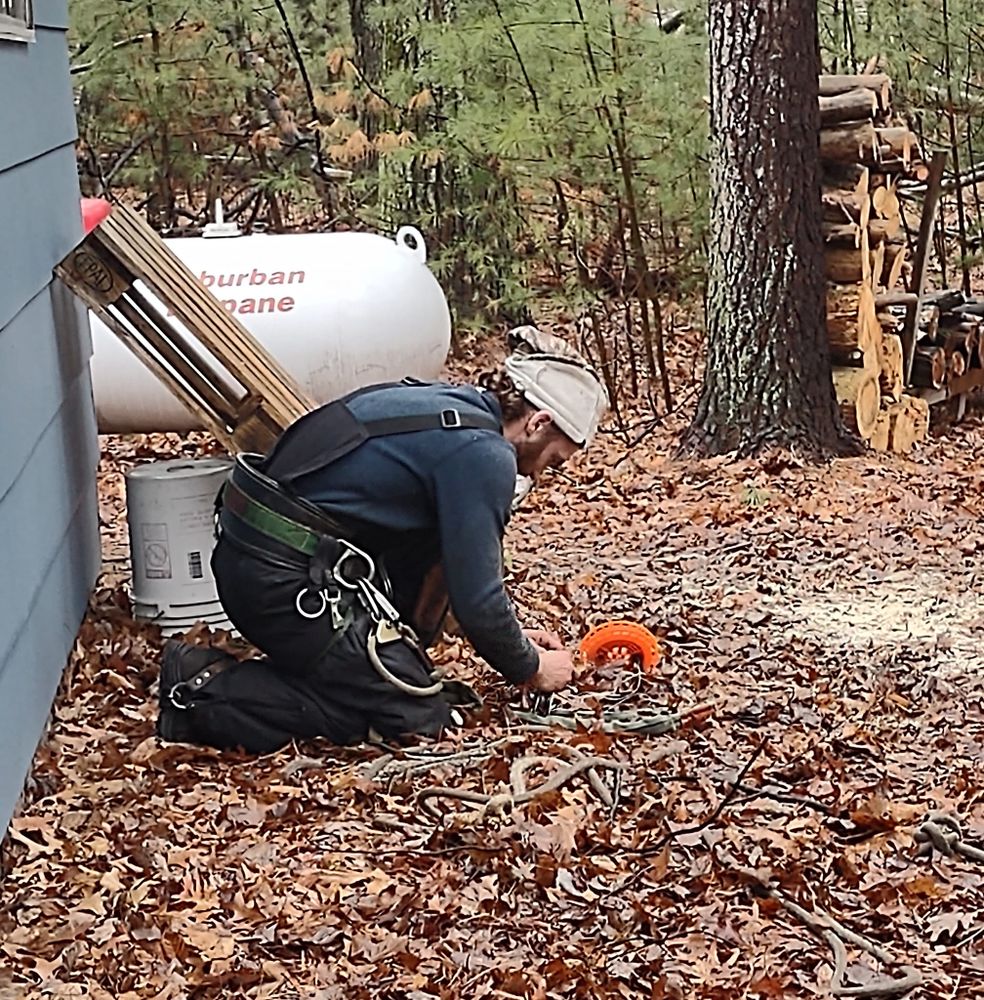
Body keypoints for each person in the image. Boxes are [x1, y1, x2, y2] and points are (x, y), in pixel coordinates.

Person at [155, 331, 609, 753]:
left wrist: (510, 640)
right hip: (283, 584)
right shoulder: (484, 454)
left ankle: (340, 675)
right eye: (554, 458)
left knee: (408, 686)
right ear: (539, 422)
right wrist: (531, 669)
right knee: (421, 718)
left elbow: (446, 566)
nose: (541, 474)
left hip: (259, 559)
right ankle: (201, 688)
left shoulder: (446, 408)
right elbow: (480, 600)